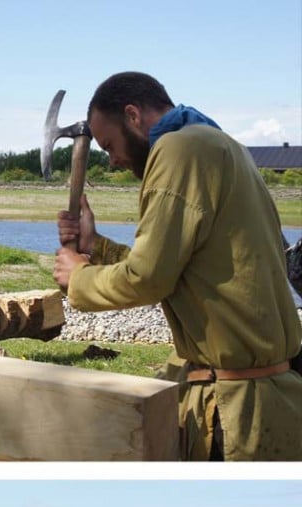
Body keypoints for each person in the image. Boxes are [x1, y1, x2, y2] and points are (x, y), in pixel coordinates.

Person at [53, 71, 302, 461]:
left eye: (109, 145)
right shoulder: (219, 144)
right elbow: (178, 272)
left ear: (133, 115)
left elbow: (149, 279)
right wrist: (94, 246)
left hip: (236, 411)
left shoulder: (177, 150)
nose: (113, 161)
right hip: (264, 399)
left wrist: (78, 277)